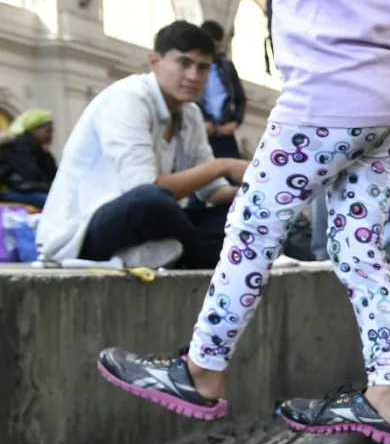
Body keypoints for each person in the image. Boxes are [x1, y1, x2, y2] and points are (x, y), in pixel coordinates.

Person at [97, 0, 390, 444]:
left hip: (327, 97)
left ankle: (203, 369)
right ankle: (389, 391)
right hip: (388, 106)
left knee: (253, 225)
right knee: (357, 249)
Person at [36, 22, 247, 268]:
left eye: (203, 68)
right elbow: (144, 187)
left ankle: (179, 252)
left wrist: (256, 193)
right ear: (154, 61)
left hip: (151, 222)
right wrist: (222, 165)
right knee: (151, 202)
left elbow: (213, 192)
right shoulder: (127, 99)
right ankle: (207, 255)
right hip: (83, 231)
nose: (193, 76)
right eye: (184, 63)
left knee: (240, 215)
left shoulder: (190, 114)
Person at [199, 21, 248, 160]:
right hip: (202, 131)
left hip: (225, 132)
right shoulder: (191, 69)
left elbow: (240, 98)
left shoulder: (227, 67)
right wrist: (201, 123)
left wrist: (235, 122)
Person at [0, 109, 59, 207]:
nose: (51, 135)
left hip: (23, 190)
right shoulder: (18, 146)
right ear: (34, 129)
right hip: (7, 191)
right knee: (50, 201)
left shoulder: (36, 148)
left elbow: (53, 175)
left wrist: (45, 153)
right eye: (48, 131)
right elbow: (31, 174)